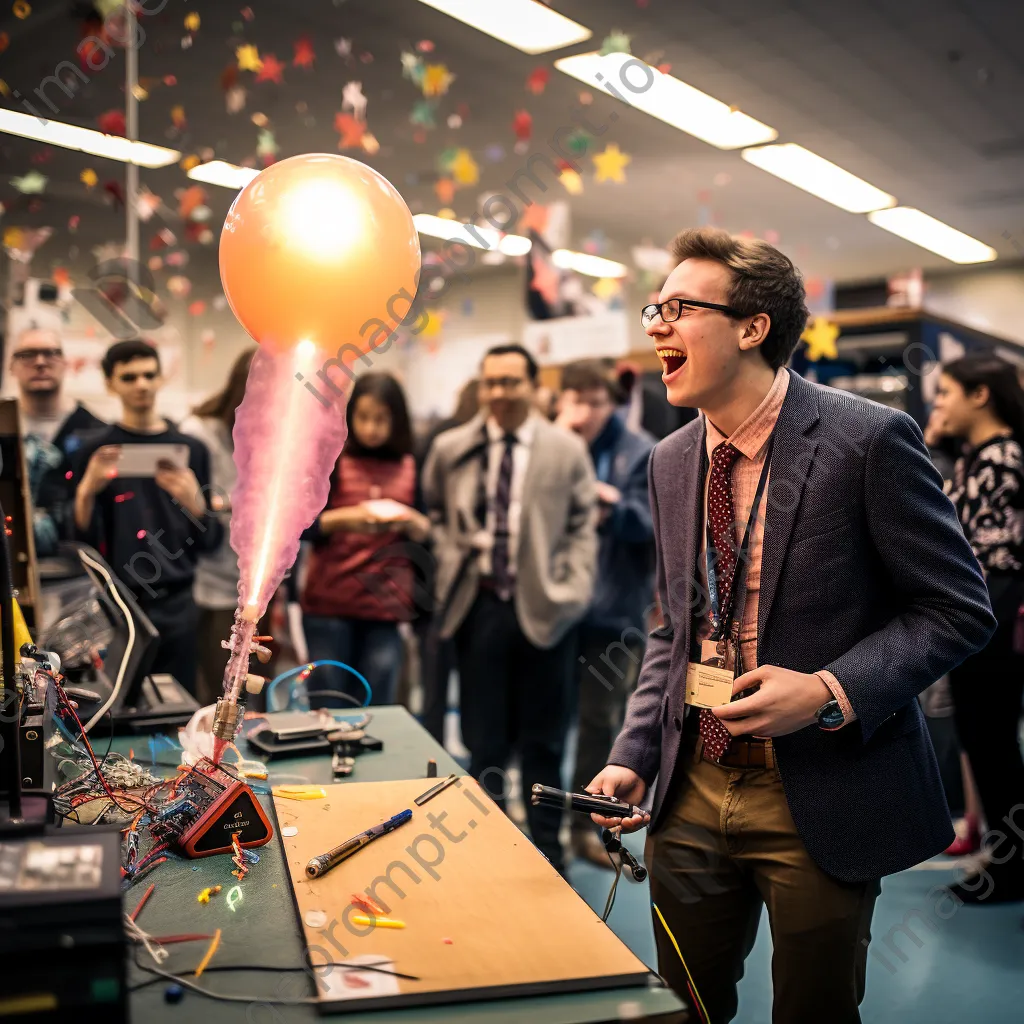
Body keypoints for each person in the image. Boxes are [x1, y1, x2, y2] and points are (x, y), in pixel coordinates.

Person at [587, 227, 995, 1024]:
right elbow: (674, 626)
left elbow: (957, 608)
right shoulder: (670, 459)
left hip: (820, 784)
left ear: (752, 327)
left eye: (679, 308)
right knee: (685, 1005)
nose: (655, 325)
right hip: (692, 783)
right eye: (653, 308)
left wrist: (826, 690)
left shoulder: (868, 439)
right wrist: (634, 752)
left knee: (814, 1009)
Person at [423, 343, 597, 875]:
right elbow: (432, 511)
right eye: (490, 382)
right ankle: (489, 852)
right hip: (478, 610)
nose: (499, 392)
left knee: (544, 742)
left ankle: (549, 855)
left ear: (531, 386)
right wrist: (452, 553)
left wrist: (572, 589)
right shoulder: (452, 447)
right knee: (484, 741)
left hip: (546, 610)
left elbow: (582, 524)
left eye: (510, 381)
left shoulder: (564, 449)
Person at [74, 339, 221, 695]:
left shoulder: (192, 449)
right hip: (118, 604)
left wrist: (194, 504)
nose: (141, 384)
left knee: (177, 703)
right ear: (110, 383)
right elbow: (79, 538)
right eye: (129, 377)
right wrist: (87, 490)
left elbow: (210, 539)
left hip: (178, 600)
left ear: (160, 379)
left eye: (148, 375)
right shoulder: (96, 449)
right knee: (118, 706)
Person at [555, 359, 655, 867]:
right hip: (558, 611)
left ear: (611, 404)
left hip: (615, 616)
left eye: (593, 402)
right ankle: (548, 825)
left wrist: (611, 506)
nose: (582, 412)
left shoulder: (640, 452)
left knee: (600, 723)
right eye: (573, 400)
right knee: (548, 721)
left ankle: (587, 830)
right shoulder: (554, 447)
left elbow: (652, 525)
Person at [932, 354, 1024, 902]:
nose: (938, 404)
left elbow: (976, 548)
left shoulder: (1002, 457)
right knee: (983, 738)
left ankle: (1013, 868)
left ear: (980, 395)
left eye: (946, 393)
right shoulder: (977, 457)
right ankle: (1007, 862)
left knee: (992, 741)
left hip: (994, 610)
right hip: (982, 613)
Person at [300, 372, 430, 707]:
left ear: (396, 421)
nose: (371, 428)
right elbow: (302, 525)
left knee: (377, 707)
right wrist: (349, 518)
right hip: (329, 604)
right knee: (327, 704)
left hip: (384, 607)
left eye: (381, 419)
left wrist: (412, 521)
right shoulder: (332, 460)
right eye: (363, 417)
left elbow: (426, 531)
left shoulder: (409, 465)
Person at [179, 348, 256, 706]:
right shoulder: (199, 435)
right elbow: (190, 507)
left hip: (258, 590)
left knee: (252, 695)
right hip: (211, 590)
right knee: (218, 697)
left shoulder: (275, 435)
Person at [414, 376, 480, 743]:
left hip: (436, 585)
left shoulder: (439, 439)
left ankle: (435, 754)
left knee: (435, 686)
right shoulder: (450, 444)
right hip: (448, 586)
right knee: (462, 685)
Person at [9, 320, 105, 556]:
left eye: (50, 353)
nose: (40, 362)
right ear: (11, 366)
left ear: (65, 363)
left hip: (77, 569)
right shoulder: (4, 427)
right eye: (27, 355)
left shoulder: (96, 432)